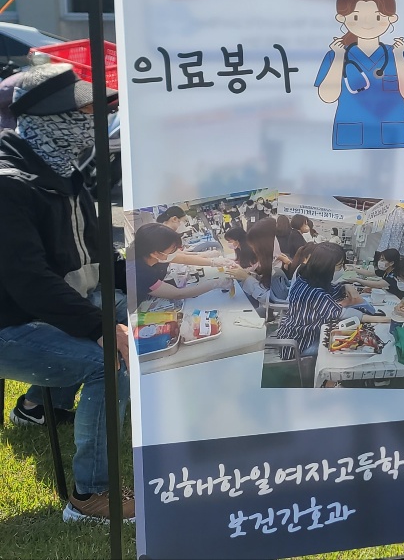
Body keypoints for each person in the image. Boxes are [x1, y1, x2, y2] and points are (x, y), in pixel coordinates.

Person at [0, 64, 132, 523]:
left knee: (137, 315)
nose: (94, 123)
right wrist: (100, 327)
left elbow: (100, 257)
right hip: (11, 325)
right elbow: (29, 281)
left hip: (43, 310)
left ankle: (41, 406)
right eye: (85, 113)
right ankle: (91, 496)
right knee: (108, 362)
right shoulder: (8, 185)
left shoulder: (63, 172)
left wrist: (152, 281)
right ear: (50, 121)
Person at [315, 0, 404, 150]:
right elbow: (327, 96)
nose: (367, 23)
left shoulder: (400, 54)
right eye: (356, 17)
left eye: (377, 17)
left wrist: (398, 58)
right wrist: (339, 58)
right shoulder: (335, 55)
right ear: (341, 18)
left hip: (393, 136)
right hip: (351, 136)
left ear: (391, 18)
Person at [276, 243, 391, 357]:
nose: (342, 269)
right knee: (353, 349)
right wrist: (385, 319)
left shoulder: (307, 279)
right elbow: (342, 313)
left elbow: (331, 290)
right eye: (339, 266)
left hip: (293, 332)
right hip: (300, 343)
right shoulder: (315, 293)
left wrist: (345, 286)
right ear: (326, 266)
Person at [129, 223, 248, 305]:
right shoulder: (140, 272)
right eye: (172, 249)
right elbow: (177, 294)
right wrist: (215, 283)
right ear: (155, 253)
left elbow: (182, 258)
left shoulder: (151, 255)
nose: (175, 252)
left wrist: (213, 262)